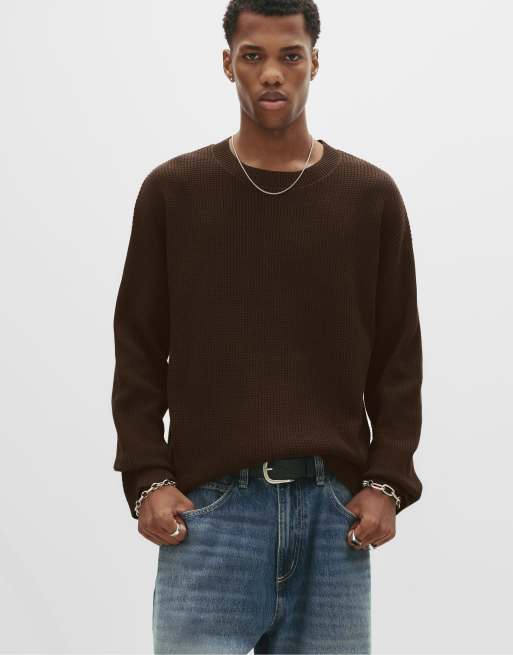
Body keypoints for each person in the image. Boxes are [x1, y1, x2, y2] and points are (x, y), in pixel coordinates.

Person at [111, 1, 423, 652]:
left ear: (314, 63)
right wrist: (147, 477)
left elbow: (398, 357)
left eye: (290, 55)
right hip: (210, 515)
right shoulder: (175, 191)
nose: (272, 73)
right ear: (228, 64)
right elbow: (138, 346)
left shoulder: (369, 197)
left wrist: (386, 482)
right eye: (253, 56)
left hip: (334, 518)